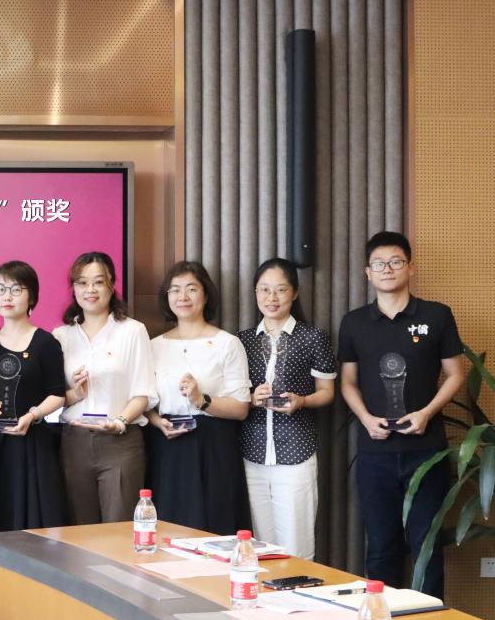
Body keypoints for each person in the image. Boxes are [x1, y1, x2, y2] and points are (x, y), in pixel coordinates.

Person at [338, 231, 464, 598]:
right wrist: (365, 418)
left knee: (428, 546)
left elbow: (456, 374)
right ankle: (381, 619)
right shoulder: (354, 322)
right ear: (368, 273)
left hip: (427, 451)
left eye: (396, 262)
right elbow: (347, 382)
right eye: (379, 264)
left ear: (410, 268)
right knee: (380, 546)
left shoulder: (436, 315)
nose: (387, 269)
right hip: (374, 452)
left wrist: (426, 413)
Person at [236, 258, 336, 559]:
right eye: (264, 289)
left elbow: (327, 393)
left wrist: (302, 401)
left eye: (280, 289)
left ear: (294, 292)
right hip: (252, 452)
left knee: (295, 545)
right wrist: (251, 398)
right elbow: (232, 395)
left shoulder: (313, 337)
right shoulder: (241, 341)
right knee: (259, 547)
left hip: (296, 452)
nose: (272, 297)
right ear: (255, 292)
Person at [145, 261, 251, 535]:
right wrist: (157, 422)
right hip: (167, 444)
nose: (183, 296)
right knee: (169, 528)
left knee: (214, 526)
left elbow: (241, 408)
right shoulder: (153, 346)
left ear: (205, 295)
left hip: (214, 445)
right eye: (175, 290)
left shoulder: (227, 343)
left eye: (191, 289)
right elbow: (144, 401)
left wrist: (201, 399)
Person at [53, 252, 156, 525]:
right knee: (79, 529)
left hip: (121, 442)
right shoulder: (61, 336)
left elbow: (143, 393)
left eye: (99, 282)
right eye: (82, 283)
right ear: (74, 288)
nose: (90, 290)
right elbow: (53, 398)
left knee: (118, 528)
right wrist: (76, 393)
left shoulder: (133, 331)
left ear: (112, 285)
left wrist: (119, 422)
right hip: (74, 442)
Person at [0, 260, 68, 531]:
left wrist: (33, 415)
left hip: (32, 442)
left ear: (32, 296)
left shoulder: (46, 343)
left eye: (16, 289)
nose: (7, 297)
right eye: (0, 289)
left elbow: (58, 394)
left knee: (33, 527)